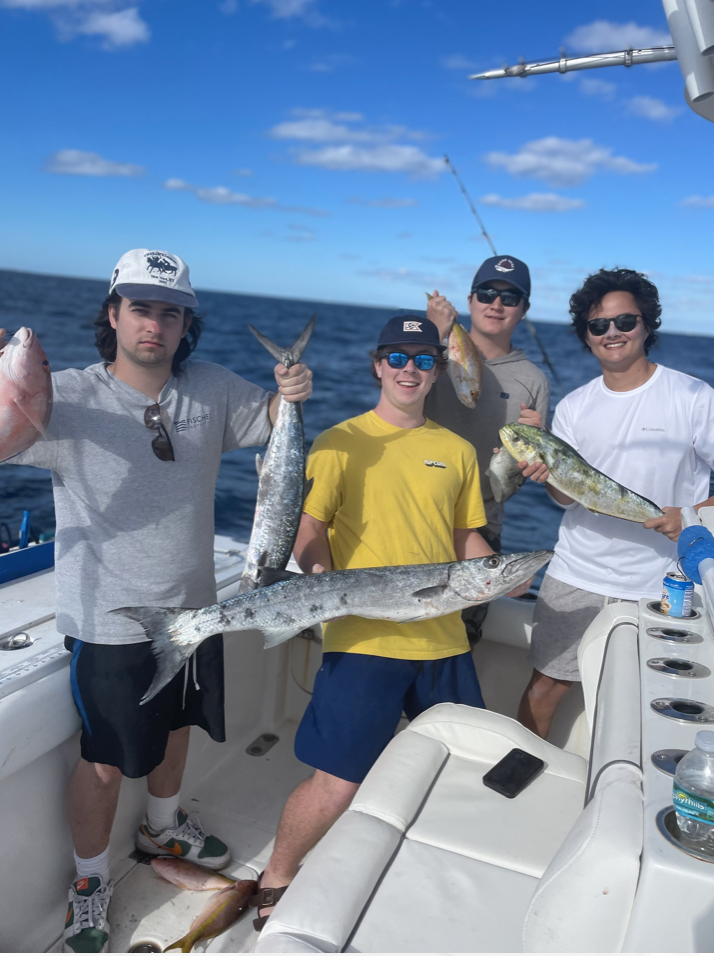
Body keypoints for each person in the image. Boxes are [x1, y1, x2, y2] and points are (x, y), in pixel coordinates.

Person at [0, 249, 313, 954]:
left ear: (185, 326)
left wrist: (292, 389)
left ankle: (162, 829)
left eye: (171, 312)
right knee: (106, 761)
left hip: (197, 609)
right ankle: (88, 882)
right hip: (109, 620)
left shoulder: (211, 388)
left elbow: (272, 422)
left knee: (179, 731)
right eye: (141, 307)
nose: (156, 324)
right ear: (112, 314)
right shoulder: (65, 395)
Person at [250, 315, 532, 930]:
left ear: (438, 370)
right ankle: (277, 874)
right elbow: (308, 534)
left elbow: (465, 536)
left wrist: (504, 571)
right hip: (365, 639)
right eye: (398, 357)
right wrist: (329, 597)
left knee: (456, 768)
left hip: (443, 638)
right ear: (378, 365)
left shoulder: (456, 451)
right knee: (338, 782)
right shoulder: (336, 442)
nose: (411, 369)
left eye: (425, 359)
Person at [516, 267, 714, 739]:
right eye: (598, 325)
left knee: (654, 701)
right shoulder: (574, 407)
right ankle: (519, 780)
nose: (612, 333)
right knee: (543, 689)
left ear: (647, 325)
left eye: (625, 322)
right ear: (586, 336)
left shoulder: (692, 396)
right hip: (576, 572)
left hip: (663, 581)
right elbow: (566, 497)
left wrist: (689, 518)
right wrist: (545, 473)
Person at [424, 255, 550, 643]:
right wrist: (432, 333)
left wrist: (536, 449)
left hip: (480, 526)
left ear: (524, 310)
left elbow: (526, 473)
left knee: (454, 647)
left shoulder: (533, 381)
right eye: (487, 293)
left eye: (510, 299)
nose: (496, 304)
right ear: (471, 299)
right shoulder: (430, 352)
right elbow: (391, 408)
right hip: (411, 512)